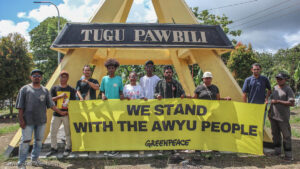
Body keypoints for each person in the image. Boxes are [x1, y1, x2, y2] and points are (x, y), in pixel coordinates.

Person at [16, 69, 67, 168]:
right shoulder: (25, 89)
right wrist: (21, 120)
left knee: (38, 141)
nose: (36, 77)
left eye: (39, 75)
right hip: (27, 121)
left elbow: (51, 105)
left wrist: (61, 112)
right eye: (34, 75)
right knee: (25, 141)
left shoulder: (45, 90)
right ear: (31, 77)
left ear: (41, 78)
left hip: (41, 121)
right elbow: (20, 107)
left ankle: (35, 160)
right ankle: (21, 163)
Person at [46, 70, 76, 158]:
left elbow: (73, 102)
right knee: (53, 132)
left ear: (67, 78)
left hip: (66, 114)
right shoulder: (54, 88)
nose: (63, 78)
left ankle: (68, 148)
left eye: (65, 77)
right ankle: (53, 148)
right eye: (61, 76)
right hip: (56, 114)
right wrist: (60, 96)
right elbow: (50, 100)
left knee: (67, 132)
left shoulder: (71, 89)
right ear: (59, 77)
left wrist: (68, 111)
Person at [268, 73, 295, 161]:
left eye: (280, 79)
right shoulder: (275, 88)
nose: (278, 80)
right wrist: (269, 112)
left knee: (286, 135)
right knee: (275, 134)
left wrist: (278, 101)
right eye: (277, 79)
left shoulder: (288, 89)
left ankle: (288, 155)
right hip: (273, 115)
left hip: (283, 117)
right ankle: (277, 151)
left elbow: (292, 103)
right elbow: (271, 100)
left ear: (285, 80)